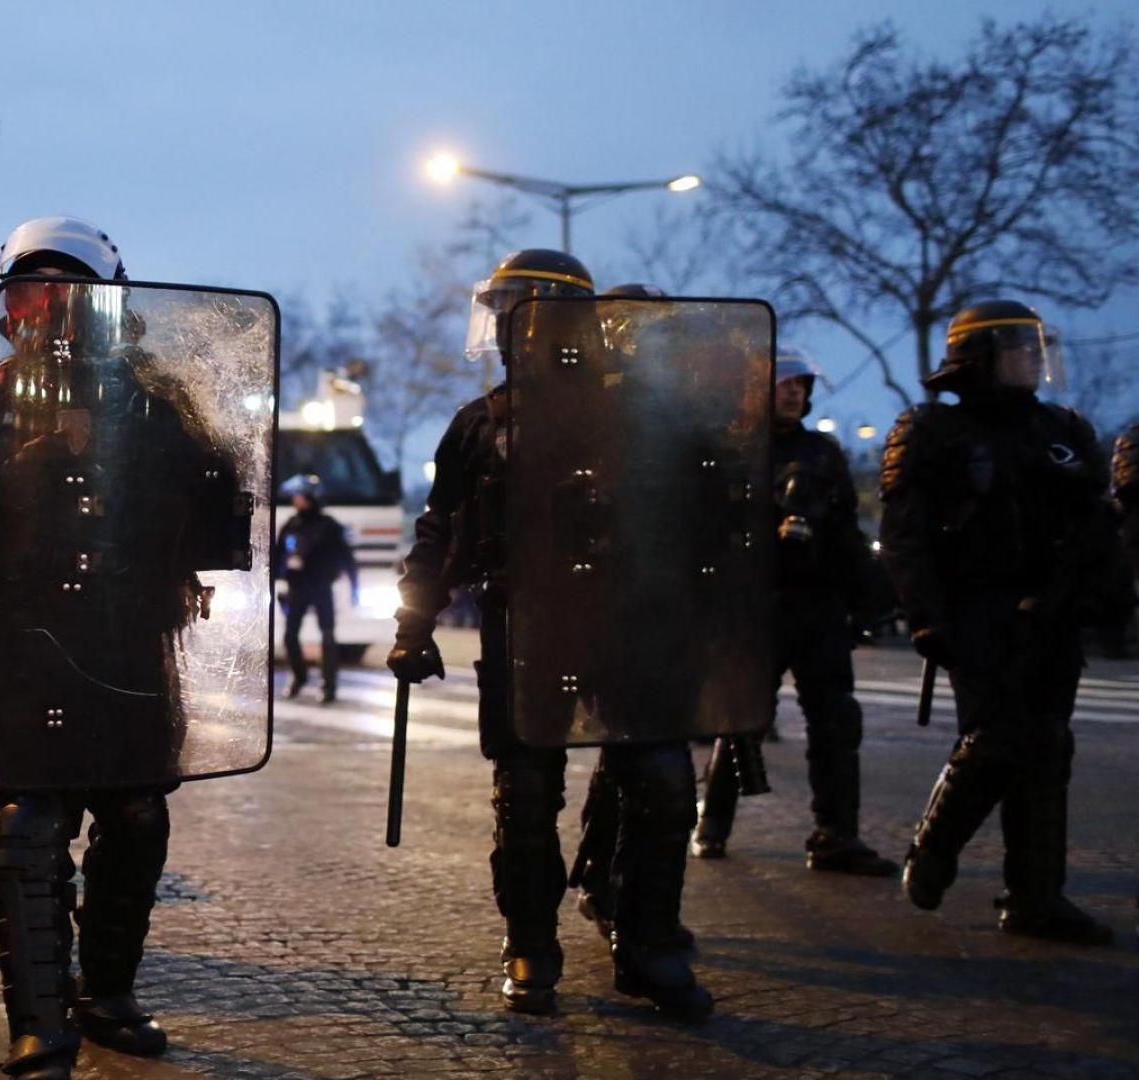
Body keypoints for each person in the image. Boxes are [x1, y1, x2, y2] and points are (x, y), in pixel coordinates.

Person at [0, 217, 267, 1079]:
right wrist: (26, 466)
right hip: (30, 639)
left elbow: (218, 518)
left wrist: (203, 454)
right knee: (31, 823)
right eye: (33, 297)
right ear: (9, 309)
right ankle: (38, 1024)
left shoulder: (153, 398)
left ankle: (107, 994)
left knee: (138, 816)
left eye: (67, 296)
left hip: (135, 638)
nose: (49, 315)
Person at [388, 252, 717, 1021]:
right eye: (496, 311)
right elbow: (441, 531)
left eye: (513, 310)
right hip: (525, 625)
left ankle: (649, 943)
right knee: (528, 793)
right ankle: (530, 942)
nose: (500, 327)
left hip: (628, 625)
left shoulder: (641, 417)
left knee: (664, 784)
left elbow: (699, 525)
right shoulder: (481, 423)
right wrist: (414, 622)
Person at [881, 299, 1129, 946]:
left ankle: (1035, 896)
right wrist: (926, 618)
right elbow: (905, 536)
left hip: (1054, 613)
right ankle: (933, 847)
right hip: (978, 612)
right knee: (995, 739)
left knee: (1048, 747)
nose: (1034, 360)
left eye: (1037, 349)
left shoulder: (1064, 428)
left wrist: (1102, 596)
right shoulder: (932, 431)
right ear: (981, 358)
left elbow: (1096, 526)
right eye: (1020, 349)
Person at [692, 348, 897, 875]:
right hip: (756, 610)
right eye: (785, 384)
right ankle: (711, 825)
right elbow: (709, 532)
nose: (794, 392)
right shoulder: (735, 448)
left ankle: (836, 834)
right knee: (740, 722)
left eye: (801, 385)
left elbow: (847, 533)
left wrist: (872, 597)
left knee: (836, 722)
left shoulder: (823, 452)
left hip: (819, 606)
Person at [273, 474, 358, 703]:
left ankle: (329, 686)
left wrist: (354, 588)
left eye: (298, 497)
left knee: (328, 636)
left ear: (310, 498)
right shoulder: (291, 525)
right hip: (297, 587)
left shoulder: (329, 527)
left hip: (321, 587)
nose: (295, 501)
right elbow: (278, 556)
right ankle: (299, 677)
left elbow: (346, 558)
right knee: (290, 635)